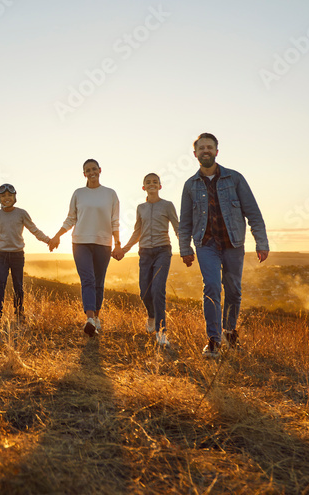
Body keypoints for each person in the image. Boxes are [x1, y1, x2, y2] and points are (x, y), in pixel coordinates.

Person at [179, 133, 268, 358]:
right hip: (206, 244)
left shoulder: (235, 179)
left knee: (234, 290)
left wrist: (261, 242)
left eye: (209, 147)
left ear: (217, 151)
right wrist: (185, 249)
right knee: (211, 287)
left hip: (233, 243)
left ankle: (229, 331)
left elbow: (253, 212)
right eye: (201, 148)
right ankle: (214, 340)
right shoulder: (190, 185)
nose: (205, 151)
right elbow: (185, 221)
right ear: (195, 154)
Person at [49, 159, 120, 337]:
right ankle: (89, 319)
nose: (91, 172)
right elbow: (71, 218)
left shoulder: (110, 194)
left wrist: (118, 243)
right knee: (88, 279)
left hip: (103, 243)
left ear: (100, 170)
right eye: (88, 170)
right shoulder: (78, 193)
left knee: (99, 282)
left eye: (94, 169)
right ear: (84, 174)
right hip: (80, 242)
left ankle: (96, 317)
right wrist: (57, 235)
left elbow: (115, 221)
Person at [115, 173, 179, 347]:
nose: (152, 184)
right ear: (143, 187)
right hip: (144, 253)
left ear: (160, 186)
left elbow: (177, 227)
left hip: (162, 251)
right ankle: (152, 316)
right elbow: (137, 232)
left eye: (155, 182)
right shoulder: (140, 208)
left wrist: (186, 249)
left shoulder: (167, 205)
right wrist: (124, 249)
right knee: (144, 291)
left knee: (158, 290)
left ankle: (162, 331)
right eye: (148, 182)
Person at [0, 183, 51, 326]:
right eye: (3, 196)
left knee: (18, 285)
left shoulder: (21, 213)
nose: (6, 198)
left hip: (17, 255)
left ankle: (19, 311)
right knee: (0, 282)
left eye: (9, 195)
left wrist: (48, 240)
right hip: (2, 255)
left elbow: (34, 229)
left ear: (14, 197)